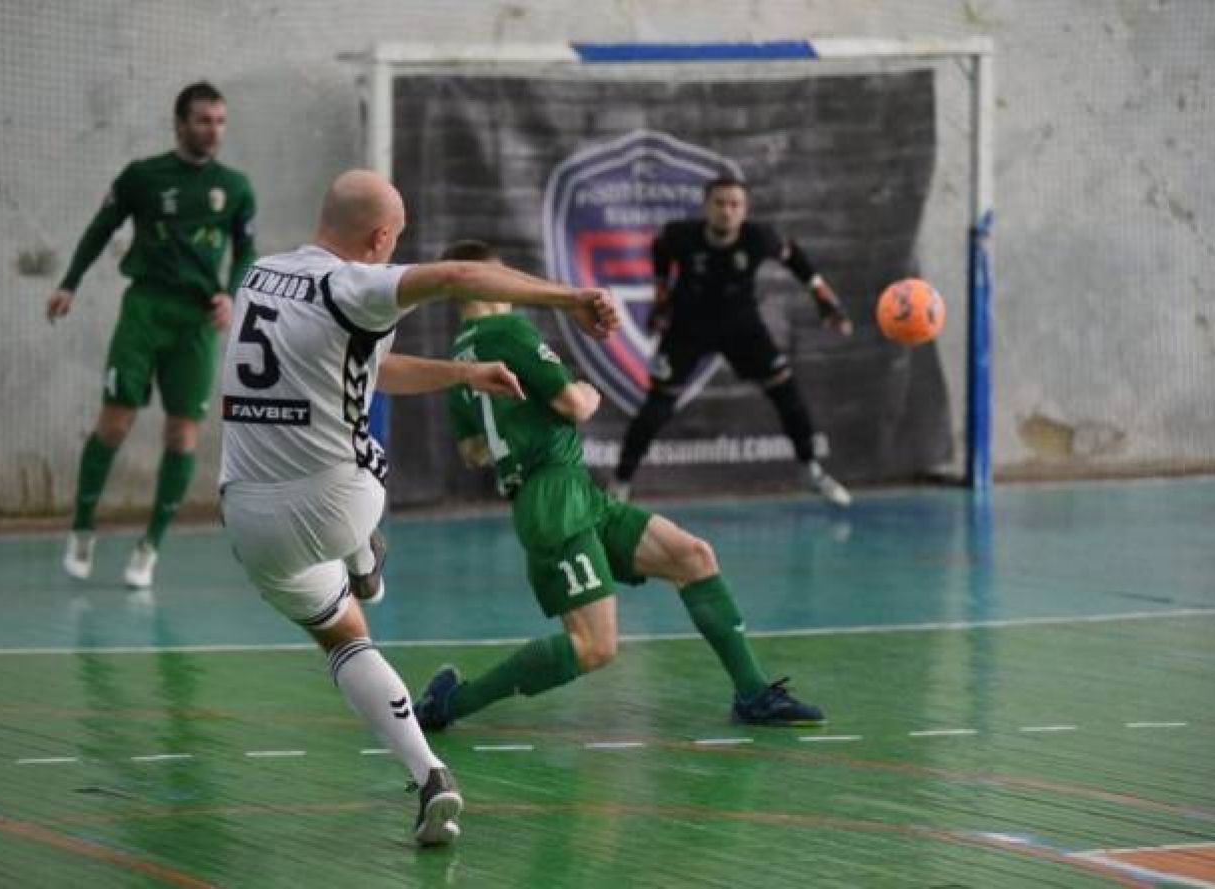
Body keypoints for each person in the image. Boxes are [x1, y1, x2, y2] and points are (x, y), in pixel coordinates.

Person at [217, 172, 618, 846]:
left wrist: (462, 374)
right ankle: (363, 556)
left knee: (346, 639)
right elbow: (460, 275)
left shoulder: (260, 276)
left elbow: (372, 367)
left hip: (249, 522)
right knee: (353, 454)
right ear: (380, 238)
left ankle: (430, 774)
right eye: (396, 241)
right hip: (342, 501)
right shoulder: (355, 284)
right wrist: (572, 296)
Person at [412, 240, 825, 739]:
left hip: (571, 492)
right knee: (594, 646)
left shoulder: (458, 359)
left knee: (692, 556)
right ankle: (452, 702)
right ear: (492, 282)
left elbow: (474, 452)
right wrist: (588, 392)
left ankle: (754, 694)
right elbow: (573, 405)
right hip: (555, 500)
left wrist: (517, 429)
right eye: (509, 278)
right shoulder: (509, 330)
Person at [47, 81, 258, 588]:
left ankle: (150, 546)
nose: (214, 130)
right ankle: (82, 527)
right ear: (180, 123)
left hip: (197, 321)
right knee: (116, 421)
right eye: (204, 120)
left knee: (182, 433)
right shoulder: (142, 177)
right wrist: (69, 283)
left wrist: (231, 293)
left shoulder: (236, 187)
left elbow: (246, 249)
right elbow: (101, 228)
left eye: (220, 121)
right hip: (145, 309)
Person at [610, 175, 854, 506]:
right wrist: (662, 295)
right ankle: (620, 483)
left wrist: (823, 297)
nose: (727, 211)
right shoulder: (680, 236)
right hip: (688, 327)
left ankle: (811, 469)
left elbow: (794, 256)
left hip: (742, 327)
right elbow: (660, 248)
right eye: (720, 203)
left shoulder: (759, 238)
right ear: (706, 206)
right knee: (657, 406)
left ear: (745, 210)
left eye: (735, 204)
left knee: (787, 392)